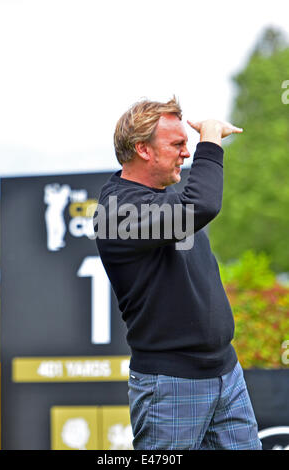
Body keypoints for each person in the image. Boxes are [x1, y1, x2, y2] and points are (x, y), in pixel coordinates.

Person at [94, 96, 262, 450]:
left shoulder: (164, 199)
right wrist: (210, 141)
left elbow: (196, 204)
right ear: (143, 149)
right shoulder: (117, 214)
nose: (186, 153)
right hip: (170, 384)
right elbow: (203, 203)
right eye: (177, 144)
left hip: (226, 374)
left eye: (188, 144)